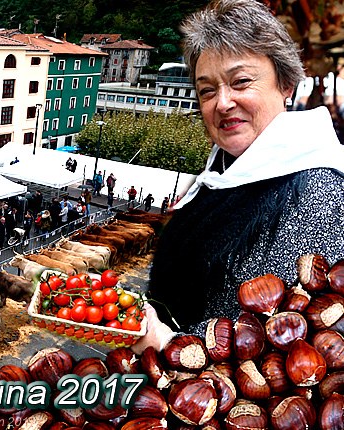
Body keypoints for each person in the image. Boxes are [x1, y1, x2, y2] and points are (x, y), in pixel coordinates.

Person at [135, 0, 344, 354]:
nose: (223, 102)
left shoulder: (315, 191)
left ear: (286, 83)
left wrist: (165, 343)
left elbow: (287, 335)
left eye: (241, 81)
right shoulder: (227, 169)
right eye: (207, 90)